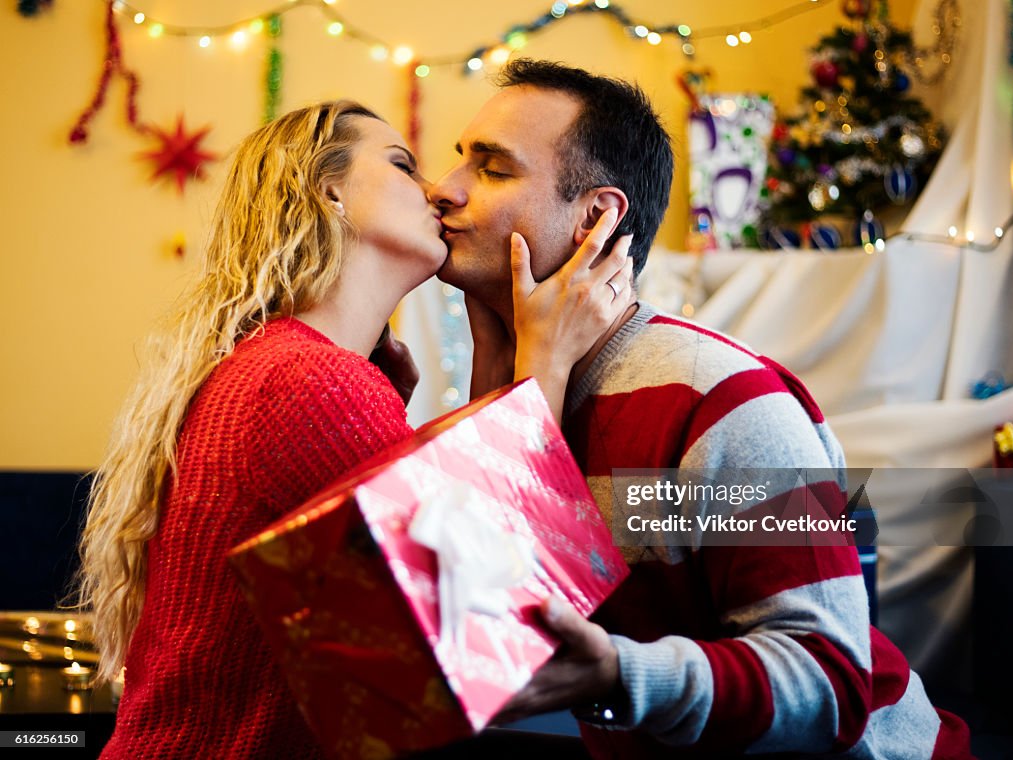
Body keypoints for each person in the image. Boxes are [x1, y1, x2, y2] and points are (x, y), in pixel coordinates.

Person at [429, 59, 973, 758]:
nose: (443, 191)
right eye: (458, 162)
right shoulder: (520, 391)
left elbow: (830, 685)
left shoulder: (718, 398)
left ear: (596, 219)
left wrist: (619, 675)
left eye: (493, 168)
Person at [77, 99, 634, 758]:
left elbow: (449, 549)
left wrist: (492, 362)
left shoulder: (280, 360)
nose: (438, 190)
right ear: (329, 192)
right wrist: (546, 365)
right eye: (402, 165)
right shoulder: (310, 383)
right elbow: (476, 630)